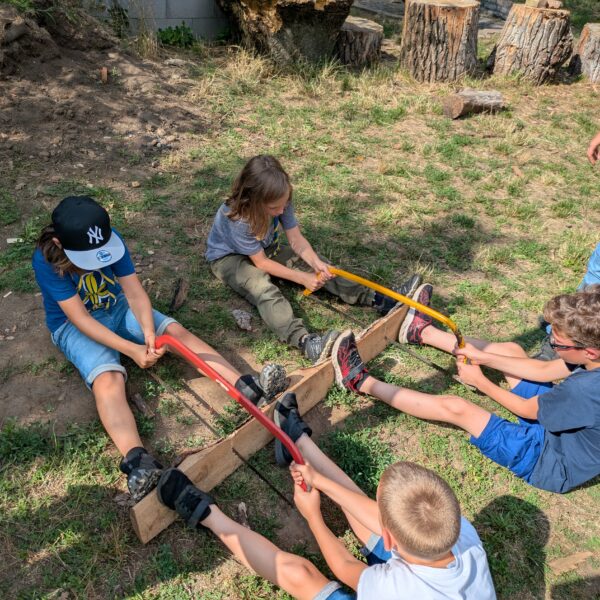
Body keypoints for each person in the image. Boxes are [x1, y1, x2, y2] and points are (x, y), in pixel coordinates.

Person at [33, 196, 287, 501]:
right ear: (59, 243)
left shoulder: (111, 239)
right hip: (74, 326)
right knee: (108, 379)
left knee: (175, 333)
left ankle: (244, 385)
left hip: (118, 306)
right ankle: (137, 462)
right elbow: (81, 319)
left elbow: (134, 292)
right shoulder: (46, 260)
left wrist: (149, 332)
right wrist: (131, 349)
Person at [156, 393, 495, 599]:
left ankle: (208, 516)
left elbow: (344, 567)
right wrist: (320, 481)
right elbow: (375, 515)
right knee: (364, 511)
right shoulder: (461, 533)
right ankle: (299, 444)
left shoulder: (396, 591)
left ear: (390, 540)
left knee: (303, 577)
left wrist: (313, 517)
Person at [332, 284, 600, 494]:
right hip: (562, 430)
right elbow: (544, 371)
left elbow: (527, 410)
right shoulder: (592, 358)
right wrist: (484, 358)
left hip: (549, 460)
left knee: (457, 408)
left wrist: (480, 381)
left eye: (557, 343)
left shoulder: (585, 390)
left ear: (589, 351)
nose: (552, 345)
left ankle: (359, 382)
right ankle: (421, 332)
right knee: (512, 351)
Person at [205, 154, 421, 363]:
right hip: (229, 259)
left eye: (283, 205)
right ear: (253, 200)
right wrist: (301, 278)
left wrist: (316, 263)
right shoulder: (238, 219)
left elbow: (296, 239)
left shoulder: (280, 198)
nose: (281, 211)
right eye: (274, 208)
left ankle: (378, 299)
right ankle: (305, 342)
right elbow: (261, 263)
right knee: (262, 287)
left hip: (264, 248)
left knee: (324, 268)